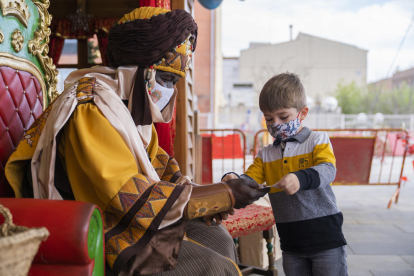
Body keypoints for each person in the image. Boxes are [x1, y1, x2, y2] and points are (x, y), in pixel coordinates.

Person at [5, 7, 270, 276]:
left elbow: (162, 169)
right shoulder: (91, 108)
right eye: (165, 79)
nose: (170, 91)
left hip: (134, 215)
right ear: (137, 71)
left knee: (219, 238)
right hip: (108, 224)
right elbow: (126, 195)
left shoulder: (130, 109)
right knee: (215, 268)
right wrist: (224, 194)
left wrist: (210, 199)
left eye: (175, 82)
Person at [222, 73, 348, 276]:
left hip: (326, 239)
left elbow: (328, 171)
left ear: (302, 113)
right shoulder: (266, 153)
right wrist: (234, 181)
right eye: (269, 118)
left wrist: (300, 178)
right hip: (290, 243)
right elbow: (250, 179)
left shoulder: (317, 140)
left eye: (283, 116)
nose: (276, 124)